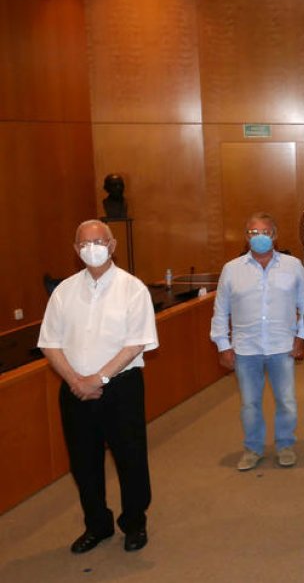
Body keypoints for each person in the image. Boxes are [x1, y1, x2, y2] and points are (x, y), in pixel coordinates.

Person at [37, 220, 158, 553]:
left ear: (113, 244)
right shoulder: (63, 292)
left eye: (99, 241)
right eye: (85, 243)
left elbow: (136, 344)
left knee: (130, 457)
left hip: (121, 388)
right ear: (76, 250)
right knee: (83, 462)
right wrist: (76, 381)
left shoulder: (133, 288)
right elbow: (49, 343)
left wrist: (99, 378)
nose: (92, 248)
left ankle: (134, 523)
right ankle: (97, 525)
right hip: (75, 391)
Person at [210, 213, 304, 471]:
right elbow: (221, 311)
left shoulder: (293, 265)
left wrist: (302, 337)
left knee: (286, 400)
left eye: (264, 232)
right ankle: (253, 448)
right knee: (250, 403)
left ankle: (285, 444)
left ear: (274, 235)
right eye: (253, 233)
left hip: (282, 346)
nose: (259, 237)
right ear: (246, 237)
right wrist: (223, 345)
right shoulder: (232, 270)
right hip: (245, 348)